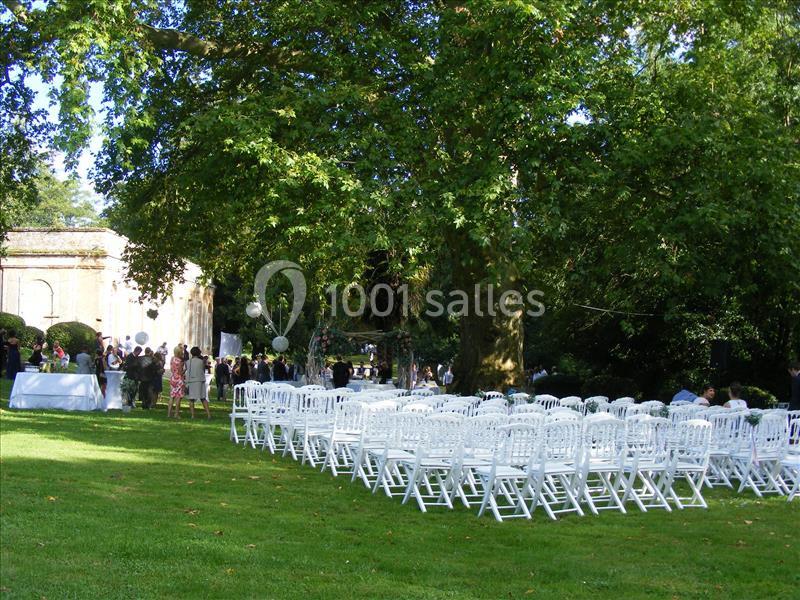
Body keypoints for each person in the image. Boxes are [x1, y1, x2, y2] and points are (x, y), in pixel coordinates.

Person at [184, 346, 211, 419]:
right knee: (203, 398)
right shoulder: (201, 361)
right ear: (199, 353)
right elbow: (202, 370)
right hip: (200, 381)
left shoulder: (188, 362)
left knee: (191, 399)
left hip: (191, 381)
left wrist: (186, 382)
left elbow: (187, 371)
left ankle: (193, 415)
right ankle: (208, 415)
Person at [168, 345, 185, 418]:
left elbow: (171, 369)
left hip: (173, 378)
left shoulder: (172, 359)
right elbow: (181, 372)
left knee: (172, 397)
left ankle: (169, 414)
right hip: (179, 379)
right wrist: (185, 370)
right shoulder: (180, 361)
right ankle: (176, 414)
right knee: (178, 397)